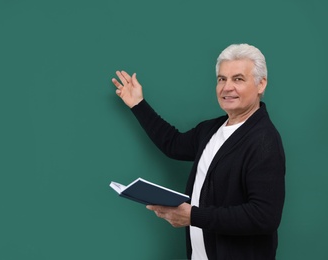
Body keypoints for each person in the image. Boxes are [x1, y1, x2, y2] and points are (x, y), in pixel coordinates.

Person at [111, 43, 285, 260]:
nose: (226, 87)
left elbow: (264, 217)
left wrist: (193, 215)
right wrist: (137, 103)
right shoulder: (211, 130)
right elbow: (173, 144)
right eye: (222, 79)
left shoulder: (263, 140)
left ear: (261, 84)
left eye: (238, 79)